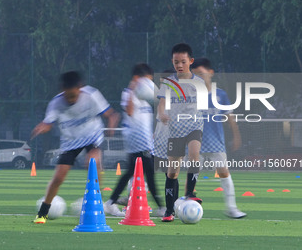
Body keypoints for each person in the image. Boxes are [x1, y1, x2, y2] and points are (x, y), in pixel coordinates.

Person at [32, 71, 119, 224]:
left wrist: (111, 126)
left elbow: (111, 114)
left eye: (74, 95)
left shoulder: (92, 95)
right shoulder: (56, 103)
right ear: (62, 90)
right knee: (59, 177)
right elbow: (48, 122)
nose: (71, 99)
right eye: (67, 95)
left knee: (92, 164)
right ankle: (43, 212)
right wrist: (44, 127)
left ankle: (95, 204)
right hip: (70, 141)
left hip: (92, 137)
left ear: (80, 88)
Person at [104, 63, 165, 217]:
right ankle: (160, 207)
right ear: (137, 78)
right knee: (149, 173)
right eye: (146, 80)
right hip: (137, 142)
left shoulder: (146, 97)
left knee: (131, 173)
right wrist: (133, 87)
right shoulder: (127, 93)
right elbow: (130, 112)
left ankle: (111, 202)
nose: (148, 84)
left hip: (146, 141)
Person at [191, 58, 246, 218]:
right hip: (196, 143)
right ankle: (188, 204)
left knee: (224, 172)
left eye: (201, 73)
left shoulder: (221, 95)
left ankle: (231, 208)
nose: (199, 78)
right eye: (195, 75)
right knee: (192, 176)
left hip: (217, 143)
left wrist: (236, 136)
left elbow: (230, 117)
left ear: (211, 73)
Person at [157, 43, 204, 222]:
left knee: (194, 153)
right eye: (176, 62)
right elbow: (162, 102)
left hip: (194, 127)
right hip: (174, 129)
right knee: (173, 172)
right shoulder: (169, 82)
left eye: (183, 62)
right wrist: (162, 113)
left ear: (190, 61)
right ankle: (170, 210)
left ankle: (190, 192)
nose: (179, 65)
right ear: (172, 61)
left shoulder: (198, 83)